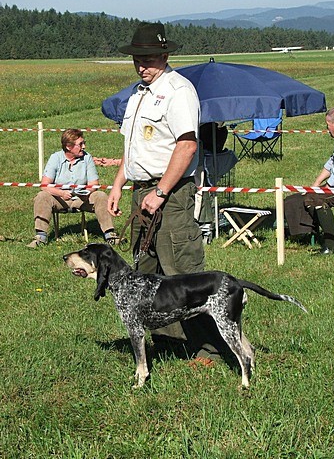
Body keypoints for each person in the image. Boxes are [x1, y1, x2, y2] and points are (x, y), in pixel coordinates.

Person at [107, 22, 227, 362]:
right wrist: (118, 185)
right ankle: (169, 343)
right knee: (146, 271)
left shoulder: (179, 90)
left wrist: (160, 192)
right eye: (136, 59)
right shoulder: (137, 94)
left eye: (148, 58)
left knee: (182, 271)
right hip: (140, 189)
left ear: (164, 54)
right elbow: (131, 149)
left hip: (170, 193)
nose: (142, 65)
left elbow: (187, 146)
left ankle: (209, 349)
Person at [27, 128, 121, 247]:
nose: (84, 146)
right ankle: (40, 237)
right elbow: (45, 185)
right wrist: (61, 193)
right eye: (80, 144)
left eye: (84, 143)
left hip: (82, 199)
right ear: (68, 146)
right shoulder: (55, 158)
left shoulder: (87, 158)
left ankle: (110, 235)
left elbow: (94, 183)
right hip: (60, 199)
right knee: (42, 196)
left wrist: (87, 192)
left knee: (100, 195)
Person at [284, 106, 334, 254]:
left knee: (314, 198)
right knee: (312, 193)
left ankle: (331, 246)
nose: (327, 129)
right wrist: (316, 184)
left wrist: (319, 190)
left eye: (328, 125)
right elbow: (332, 162)